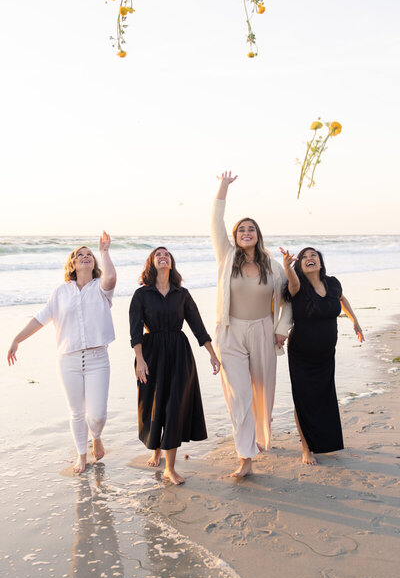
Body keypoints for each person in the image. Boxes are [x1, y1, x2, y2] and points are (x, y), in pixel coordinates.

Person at [7, 231, 117, 474]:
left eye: (89, 254)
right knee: (76, 412)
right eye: (81, 254)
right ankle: (81, 455)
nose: (86, 257)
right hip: (68, 360)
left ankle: (96, 436)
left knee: (97, 414)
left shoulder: (101, 288)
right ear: (73, 263)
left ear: (94, 262)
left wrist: (105, 251)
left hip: (99, 358)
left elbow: (111, 277)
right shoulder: (60, 292)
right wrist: (17, 339)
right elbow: (40, 319)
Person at [211, 172, 292, 478]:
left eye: (251, 229)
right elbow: (215, 222)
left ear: (258, 234)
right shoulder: (227, 256)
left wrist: (282, 328)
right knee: (239, 395)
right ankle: (245, 456)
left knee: (262, 393)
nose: (247, 232)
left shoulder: (272, 265)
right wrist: (223, 188)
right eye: (242, 229)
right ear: (235, 235)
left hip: (263, 332)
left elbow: (288, 300)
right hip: (230, 333)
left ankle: (259, 437)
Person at [129, 246, 220, 485]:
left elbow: (197, 326)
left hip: (179, 353)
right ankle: (156, 449)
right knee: (154, 406)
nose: (163, 257)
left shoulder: (182, 293)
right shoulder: (142, 294)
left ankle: (170, 467)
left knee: (174, 407)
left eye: (166, 254)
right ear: (151, 263)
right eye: (158, 255)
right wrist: (139, 359)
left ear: (172, 263)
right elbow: (135, 330)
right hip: (151, 354)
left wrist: (212, 354)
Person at [281, 246, 365, 465]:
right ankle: (306, 448)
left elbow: (342, 299)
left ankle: (324, 441)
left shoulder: (333, 283)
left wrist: (354, 320)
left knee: (324, 397)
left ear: (320, 261)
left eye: (314, 256)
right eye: (305, 257)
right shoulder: (298, 286)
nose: (310, 259)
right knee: (303, 399)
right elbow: (292, 283)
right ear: (299, 265)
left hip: (326, 354)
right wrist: (286, 267)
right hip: (302, 353)